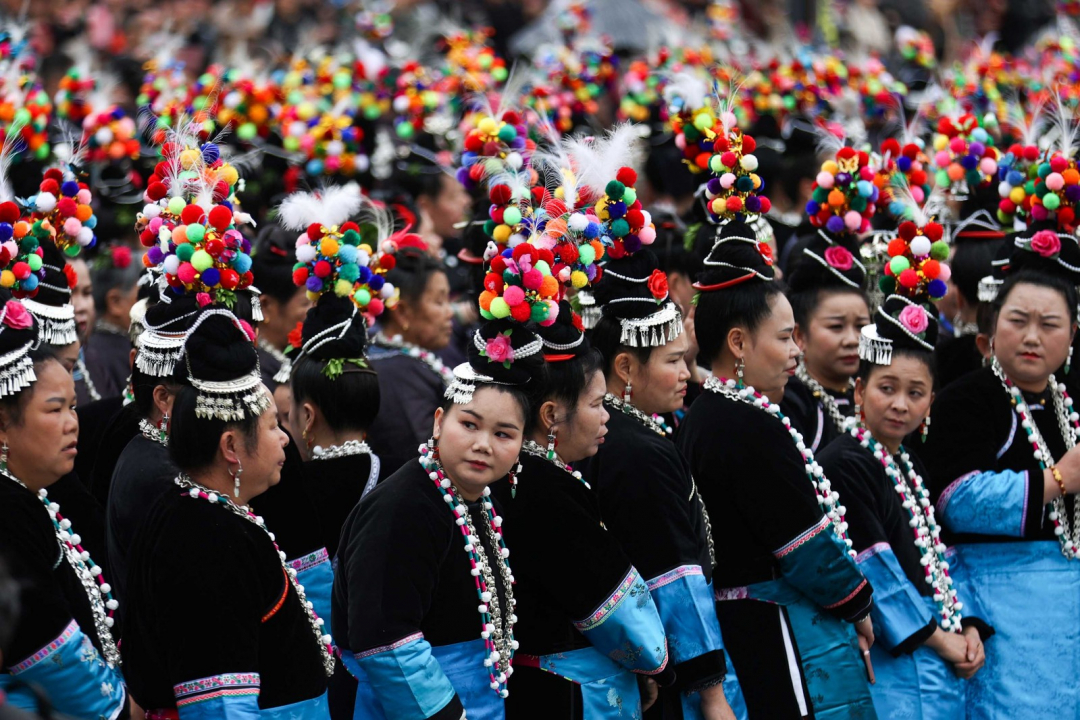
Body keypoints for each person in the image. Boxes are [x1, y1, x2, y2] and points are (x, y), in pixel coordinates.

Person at [679, 219, 877, 719]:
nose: (796, 352)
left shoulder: (707, 415)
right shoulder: (745, 424)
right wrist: (856, 603)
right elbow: (801, 543)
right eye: (786, 338)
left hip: (741, 616)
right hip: (771, 621)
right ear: (739, 343)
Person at [121, 309, 333, 717]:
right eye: (273, 427)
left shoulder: (207, 516)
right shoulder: (206, 540)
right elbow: (220, 705)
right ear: (231, 447)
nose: (285, 440)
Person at [333, 317, 544, 720]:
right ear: (437, 421)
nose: (483, 444)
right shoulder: (403, 509)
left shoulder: (478, 499)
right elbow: (387, 640)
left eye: (504, 434)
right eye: (469, 424)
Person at [818, 233, 991, 716]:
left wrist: (970, 624)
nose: (900, 404)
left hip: (939, 645)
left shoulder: (907, 461)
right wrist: (941, 640)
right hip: (903, 654)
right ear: (858, 391)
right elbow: (874, 569)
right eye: (886, 388)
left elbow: (941, 553)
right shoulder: (843, 462)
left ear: (932, 402)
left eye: (915, 392)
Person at [489, 302, 678, 719]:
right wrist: (657, 666)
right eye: (596, 404)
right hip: (567, 693)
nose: (607, 416)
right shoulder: (546, 487)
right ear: (552, 415)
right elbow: (611, 605)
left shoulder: (516, 474)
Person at [921, 244, 1080, 717]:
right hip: (997, 596)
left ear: (1072, 335)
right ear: (990, 329)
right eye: (1017, 321)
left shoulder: (1066, 401)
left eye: (1049, 325)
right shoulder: (966, 399)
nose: (1032, 337)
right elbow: (955, 500)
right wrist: (1056, 480)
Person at [586, 244, 739, 719]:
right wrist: (711, 691)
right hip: (668, 665)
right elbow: (671, 572)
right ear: (626, 366)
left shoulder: (622, 429)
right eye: (673, 361)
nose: (687, 374)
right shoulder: (635, 450)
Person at [0, 297, 128, 718]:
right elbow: (42, 644)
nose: (73, 422)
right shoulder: (8, 511)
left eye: (73, 406)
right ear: (3, 425)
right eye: (55, 409)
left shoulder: (33, 495)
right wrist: (121, 705)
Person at [367, 245, 454, 474]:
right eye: (439, 302)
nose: (450, 312)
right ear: (403, 311)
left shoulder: (396, 359)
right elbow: (422, 452)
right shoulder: (398, 373)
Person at [782, 234, 871, 452]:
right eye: (836, 327)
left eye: (861, 326)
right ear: (800, 335)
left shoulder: (873, 396)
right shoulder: (789, 400)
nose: (852, 340)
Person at [85, 244, 141, 400]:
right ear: (115, 302)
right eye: (143, 296)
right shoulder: (114, 356)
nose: (153, 306)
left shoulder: (92, 349)